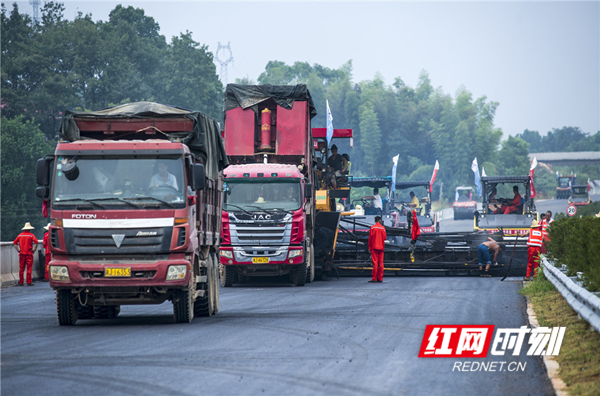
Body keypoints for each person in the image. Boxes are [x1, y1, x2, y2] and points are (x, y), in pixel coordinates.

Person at [368, 216, 387, 283]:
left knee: (375, 263)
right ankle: (380, 278)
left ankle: (374, 278)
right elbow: (385, 237)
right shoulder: (383, 228)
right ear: (379, 220)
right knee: (381, 263)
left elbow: (370, 239)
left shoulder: (372, 228)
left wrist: (369, 247)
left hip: (374, 247)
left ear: (375, 220)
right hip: (381, 248)